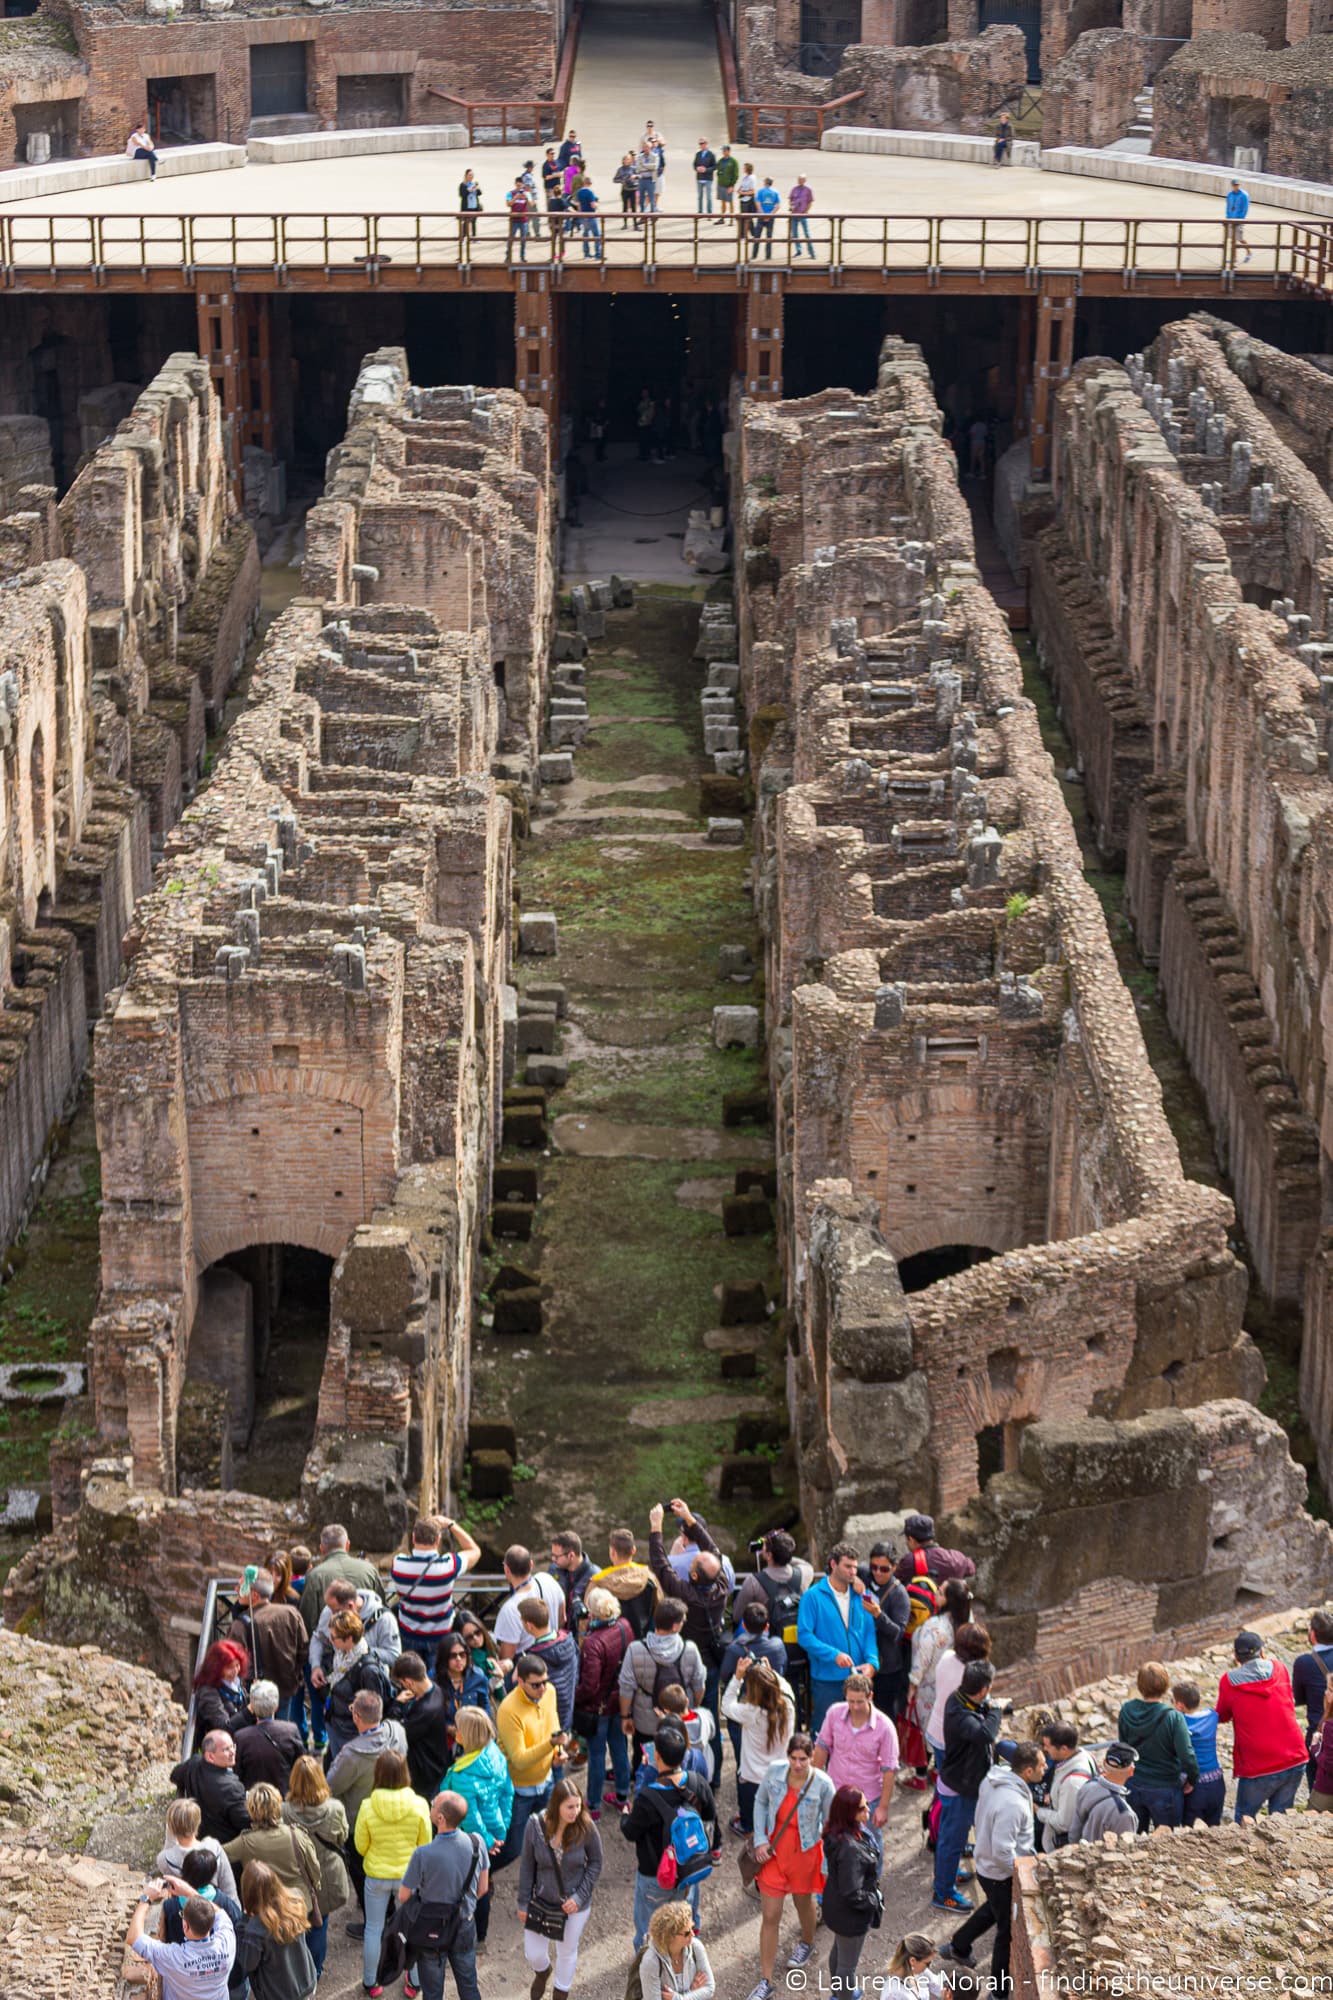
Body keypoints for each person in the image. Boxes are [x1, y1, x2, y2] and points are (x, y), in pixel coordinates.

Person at [939, 1741, 1040, 1983]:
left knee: (994, 1909)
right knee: (1006, 1932)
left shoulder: (994, 1779)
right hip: (999, 1873)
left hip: (987, 1866)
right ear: (1027, 1771)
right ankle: (999, 1989)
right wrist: (1021, 1875)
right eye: (1042, 1764)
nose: (1046, 1767)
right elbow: (1002, 1852)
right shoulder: (1012, 1805)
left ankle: (958, 1945)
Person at [748, 1730, 834, 2000]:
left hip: (805, 1855)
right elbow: (760, 1801)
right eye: (794, 1758)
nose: (798, 1764)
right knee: (770, 1916)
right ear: (787, 1756)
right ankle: (766, 1980)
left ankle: (807, 1941)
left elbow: (831, 1826)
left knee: (803, 1903)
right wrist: (761, 1839)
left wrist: (828, 1867)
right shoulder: (774, 1772)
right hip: (774, 1854)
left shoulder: (823, 1784)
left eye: (803, 1759)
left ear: (812, 1758)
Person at [647, 1502, 727, 1778]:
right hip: (711, 1663)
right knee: (710, 1719)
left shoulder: (685, 1594)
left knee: (681, 1721)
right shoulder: (722, 1585)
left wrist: (656, 1527)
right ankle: (712, 1776)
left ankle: (679, 1771)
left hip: (687, 1664)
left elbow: (660, 1565)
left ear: (693, 1575)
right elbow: (713, 1549)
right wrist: (690, 1518)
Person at [620, 1722, 717, 1948]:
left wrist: (626, 1815)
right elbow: (711, 1816)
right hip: (687, 1869)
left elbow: (630, 1831)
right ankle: (683, 1970)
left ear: (658, 1757)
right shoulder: (697, 1782)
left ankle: (650, 1977)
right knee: (684, 1926)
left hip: (656, 1875)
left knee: (648, 1932)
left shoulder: (648, 1796)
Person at [517, 1774, 603, 1999]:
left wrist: (580, 1897)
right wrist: (523, 1902)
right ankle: (543, 1971)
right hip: (542, 1901)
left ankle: (560, 1993)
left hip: (574, 1906)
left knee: (566, 1951)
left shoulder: (586, 1827)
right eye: (569, 1807)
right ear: (556, 1806)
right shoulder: (535, 1826)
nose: (575, 1812)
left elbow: (595, 1863)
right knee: (533, 1953)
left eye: (578, 1805)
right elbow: (527, 1865)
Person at [398, 1788, 489, 2000]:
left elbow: (403, 1896)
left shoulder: (423, 1854)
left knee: (432, 1992)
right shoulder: (477, 1843)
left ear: (440, 1818)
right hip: (464, 1925)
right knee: (468, 1986)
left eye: (433, 1803)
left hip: (431, 1930)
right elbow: (483, 1889)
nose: (430, 1805)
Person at [354, 1748, 432, 1993]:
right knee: (413, 1930)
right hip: (409, 1878)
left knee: (373, 1929)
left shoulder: (367, 1806)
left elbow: (360, 1845)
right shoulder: (419, 1804)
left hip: (376, 1876)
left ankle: (371, 1981)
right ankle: (415, 1982)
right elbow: (425, 1845)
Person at [932, 1659, 1002, 1915]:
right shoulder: (961, 1714)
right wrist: (996, 1711)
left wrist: (986, 1708)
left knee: (953, 1839)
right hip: (959, 1788)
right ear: (983, 1689)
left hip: (960, 1780)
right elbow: (985, 1734)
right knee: (952, 1842)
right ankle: (943, 1893)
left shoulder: (959, 1698)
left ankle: (948, 1875)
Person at [1216, 1630, 1309, 1820]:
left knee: (1244, 1818)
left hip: (1258, 1766)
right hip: (1295, 1757)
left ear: (1236, 1657)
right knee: (1281, 1819)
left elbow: (1222, 1715)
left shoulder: (1228, 1682)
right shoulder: (1280, 1668)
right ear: (1262, 1652)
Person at [448, 1706, 513, 1948]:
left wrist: (485, 1841)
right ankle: (481, 1936)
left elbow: (470, 1817)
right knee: (484, 1880)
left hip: (471, 1840)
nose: (455, 1731)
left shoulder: (464, 1775)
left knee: (471, 1887)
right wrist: (500, 1830)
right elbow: (508, 1793)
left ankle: (470, 1938)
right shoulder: (495, 1754)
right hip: (492, 1831)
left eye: (458, 1728)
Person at [796, 1543, 878, 1733]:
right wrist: (833, 1654)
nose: (853, 1572)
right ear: (833, 1564)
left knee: (860, 1732)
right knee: (825, 1731)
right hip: (826, 1679)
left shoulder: (862, 1596)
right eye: (847, 1566)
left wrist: (872, 1663)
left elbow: (868, 1634)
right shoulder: (812, 1596)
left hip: (858, 1679)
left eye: (855, 1567)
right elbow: (804, 1636)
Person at [497, 1653, 568, 1865]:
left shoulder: (549, 1693)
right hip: (520, 1789)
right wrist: (551, 1746)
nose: (543, 1689)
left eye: (545, 1682)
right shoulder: (508, 1710)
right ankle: (483, 1874)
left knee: (546, 1836)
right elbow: (518, 1759)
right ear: (520, 1682)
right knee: (512, 1848)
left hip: (546, 1781)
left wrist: (558, 1751)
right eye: (536, 1685)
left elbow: (553, 1725)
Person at [282, 1755, 350, 1974]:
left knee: (295, 1924)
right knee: (321, 1924)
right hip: (326, 1877)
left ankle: (297, 1970)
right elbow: (342, 1837)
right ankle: (315, 1970)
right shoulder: (336, 1809)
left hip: (295, 1877)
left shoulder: (283, 1811)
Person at [223, 1784, 321, 1936]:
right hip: (298, 1905)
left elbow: (218, 1854)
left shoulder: (244, 1843)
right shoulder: (296, 1835)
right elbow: (314, 1869)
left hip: (265, 1911)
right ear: (278, 1806)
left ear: (251, 1809)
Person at [620, 1597, 706, 1764]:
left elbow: (626, 1687)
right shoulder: (690, 1649)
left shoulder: (636, 1649)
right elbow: (699, 1685)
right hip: (680, 1721)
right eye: (682, 1621)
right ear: (675, 1626)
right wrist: (690, 1708)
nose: (684, 1623)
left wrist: (626, 1716)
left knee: (647, 1760)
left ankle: (646, 1786)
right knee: (679, 1759)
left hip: (646, 1722)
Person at [574, 1584, 634, 1818]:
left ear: (593, 1613)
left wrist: (574, 1699)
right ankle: (622, 1796)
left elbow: (590, 1686)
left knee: (597, 1756)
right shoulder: (624, 1627)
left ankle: (594, 1805)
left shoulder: (593, 1643)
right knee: (620, 1749)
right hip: (620, 1703)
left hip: (598, 1708)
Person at [1117, 1660, 1198, 1830]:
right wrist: (1192, 1779)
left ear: (1140, 1685)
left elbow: (1123, 1747)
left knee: (1135, 1836)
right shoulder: (1173, 1718)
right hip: (1165, 1787)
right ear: (1165, 1685)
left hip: (1133, 1783)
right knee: (1167, 1838)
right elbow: (1187, 1755)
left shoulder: (1126, 1710)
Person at [813, 1672, 898, 1832]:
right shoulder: (834, 1713)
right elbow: (822, 1747)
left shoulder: (885, 1727)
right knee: (832, 1841)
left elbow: (889, 1769)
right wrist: (814, 1785)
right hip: (835, 1794)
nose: (855, 1707)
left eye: (860, 1701)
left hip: (866, 1800)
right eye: (851, 1701)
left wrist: (883, 1807)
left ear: (870, 1696)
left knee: (869, 1848)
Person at [722, 1654, 795, 1836]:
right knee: (776, 1809)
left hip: (752, 1775)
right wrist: (769, 1673)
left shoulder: (750, 1712)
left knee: (750, 1808)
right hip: (780, 1773)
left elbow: (726, 1705)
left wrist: (737, 1677)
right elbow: (784, 1686)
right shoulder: (788, 1705)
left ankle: (747, 1827)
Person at [820, 1784, 882, 1997]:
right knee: (848, 1965)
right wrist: (873, 1900)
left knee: (839, 1951)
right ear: (849, 1813)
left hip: (835, 1907)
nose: (868, 1811)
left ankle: (838, 1993)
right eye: (863, 1808)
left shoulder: (838, 1834)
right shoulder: (850, 1850)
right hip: (850, 1915)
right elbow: (852, 1892)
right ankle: (845, 1995)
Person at [392, 1516, 481, 1661]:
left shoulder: (398, 1564)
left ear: (413, 1538)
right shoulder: (448, 1566)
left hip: (408, 1636)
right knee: (438, 1680)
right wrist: (451, 1525)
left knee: (412, 1678)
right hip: (441, 1638)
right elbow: (475, 1550)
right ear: (438, 1540)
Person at [127, 1878, 235, 1996]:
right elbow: (219, 1913)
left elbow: (133, 1938)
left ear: (185, 1926)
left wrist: (146, 1898)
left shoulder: (174, 1957)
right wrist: (189, 1891)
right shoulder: (226, 1943)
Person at [235, 1859, 317, 2000]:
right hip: (307, 1983)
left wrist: (243, 1922)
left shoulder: (255, 1929)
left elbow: (249, 1963)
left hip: (279, 1994)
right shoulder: (295, 1899)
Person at [229, 1572, 307, 1718]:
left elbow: (230, 1662)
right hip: (285, 1689)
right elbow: (303, 1651)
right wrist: (294, 1677)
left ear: (254, 1595)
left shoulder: (239, 1626)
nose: (236, 1590)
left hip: (256, 1696)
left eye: (241, 1587)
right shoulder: (292, 1613)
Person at [323, 1611, 395, 1764]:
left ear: (349, 1639)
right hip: (337, 1726)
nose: (330, 1640)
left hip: (352, 1735)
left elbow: (374, 1711)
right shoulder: (342, 1655)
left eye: (334, 1637)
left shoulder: (368, 1670)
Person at [911, 1579, 974, 1744]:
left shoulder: (934, 1627)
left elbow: (922, 1660)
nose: (935, 1592)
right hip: (957, 1691)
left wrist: (912, 1684)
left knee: (927, 1736)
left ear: (948, 1600)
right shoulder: (969, 1626)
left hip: (930, 1690)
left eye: (940, 1592)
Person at [390, 1652, 456, 1799]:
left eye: (402, 1683)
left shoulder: (425, 1710)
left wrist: (397, 1704)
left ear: (408, 1682)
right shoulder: (436, 1690)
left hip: (424, 1776)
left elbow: (397, 1733)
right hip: (435, 1766)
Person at [925, 1622, 991, 1764]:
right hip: (957, 1739)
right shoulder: (974, 1676)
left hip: (936, 1728)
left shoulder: (946, 1656)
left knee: (943, 1774)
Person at [172, 1730, 252, 1846]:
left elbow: (174, 1776)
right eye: (226, 1749)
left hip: (197, 1837)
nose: (233, 1752)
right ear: (210, 1756)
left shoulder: (193, 1763)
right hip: (224, 1847)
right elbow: (245, 1821)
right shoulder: (231, 1787)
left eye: (232, 1746)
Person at [299, 1525, 382, 1636]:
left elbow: (308, 1619)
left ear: (322, 1549)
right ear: (347, 1545)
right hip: (368, 1640)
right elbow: (382, 1606)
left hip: (330, 1643)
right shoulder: (369, 1569)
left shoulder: (314, 1576)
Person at [311, 1580, 400, 1682]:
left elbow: (394, 1656)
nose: (331, 1615)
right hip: (340, 1680)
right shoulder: (330, 1610)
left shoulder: (384, 1619)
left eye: (335, 1610)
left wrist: (361, 1651)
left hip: (369, 1681)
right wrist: (315, 1666)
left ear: (350, 1606)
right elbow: (319, 1638)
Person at [157, 1798, 240, 1904]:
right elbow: (228, 1886)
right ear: (198, 1822)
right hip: (217, 1909)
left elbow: (169, 1849)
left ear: (171, 1828)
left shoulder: (165, 1860)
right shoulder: (214, 1847)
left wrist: (171, 1828)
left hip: (186, 1913)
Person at [1033, 1722, 1097, 1852]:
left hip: (1061, 1848)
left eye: (1047, 1746)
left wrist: (1038, 1811)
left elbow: (1064, 1823)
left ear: (1063, 1749)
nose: (1044, 1749)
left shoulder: (1072, 1783)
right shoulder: (1084, 1754)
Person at [517, 1596, 580, 1728]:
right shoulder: (569, 1640)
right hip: (568, 1715)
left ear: (529, 1625)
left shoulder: (533, 1658)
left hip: (549, 1723)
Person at [495, 1547, 566, 1664]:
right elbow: (563, 1618)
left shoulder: (510, 1609)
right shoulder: (547, 1579)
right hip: (555, 1656)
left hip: (528, 1669)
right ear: (531, 1564)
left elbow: (507, 1658)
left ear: (507, 1569)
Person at [234, 1681, 304, 1795]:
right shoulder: (291, 1730)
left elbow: (237, 1773)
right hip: (284, 1797)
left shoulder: (241, 1737)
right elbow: (301, 1764)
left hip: (254, 1801)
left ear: (252, 1707)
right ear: (276, 1707)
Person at [590, 1528, 661, 1639]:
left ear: (612, 1552)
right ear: (633, 1550)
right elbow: (659, 1610)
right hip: (644, 1641)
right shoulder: (649, 1577)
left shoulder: (598, 1582)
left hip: (610, 1644)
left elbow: (588, 1618)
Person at [637, 1899, 715, 1999]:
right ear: (669, 1937)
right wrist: (693, 1993)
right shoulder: (651, 1962)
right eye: (686, 1933)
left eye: (692, 1928)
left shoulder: (696, 1947)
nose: (693, 1934)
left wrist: (679, 1998)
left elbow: (709, 1988)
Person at [1173, 1681, 1225, 1828]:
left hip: (1194, 1786)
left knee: (1191, 1833)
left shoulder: (1179, 1722)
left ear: (1179, 1705)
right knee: (1214, 1828)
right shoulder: (1212, 1716)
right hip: (1216, 1782)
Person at [1291, 1607, 1333, 1788]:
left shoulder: (1304, 1662)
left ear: (1313, 1634)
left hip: (1320, 1733)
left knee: (1318, 1790)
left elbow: (1298, 1699)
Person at [1068, 1742, 1139, 1841]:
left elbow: (1074, 1831)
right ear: (1131, 1770)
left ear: (1104, 1763)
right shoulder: (1124, 1814)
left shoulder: (1088, 1786)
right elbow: (1125, 1852)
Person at [893, 1515, 976, 1590]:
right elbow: (971, 1569)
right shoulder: (957, 1557)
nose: (906, 1543)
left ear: (911, 1540)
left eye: (907, 1539)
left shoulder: (910, 1561)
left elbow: (893, 1582)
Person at [193, 1640, 252, 1739]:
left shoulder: (236, 1682)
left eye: (237, 1665)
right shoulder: (208, 1692)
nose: (235, 1671)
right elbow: (224, 1727)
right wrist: (249, 1711)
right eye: (229, 1667)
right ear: (216, 1668)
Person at [459, 1611, 506, 1705]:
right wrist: (497, 1678)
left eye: (477, 1632)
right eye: (469, 1637)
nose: (475, 1638)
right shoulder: (465, 1659)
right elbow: (478, 1689)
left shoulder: (490, 1642)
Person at [549, 1532, 594, 1628]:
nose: (553, 1559)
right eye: (552, 1555)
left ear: (571, 1555)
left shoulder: (595, 1577)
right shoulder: (554, 1569)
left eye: (556, 1556)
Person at [883, 1933, 945, 2000]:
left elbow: (940, 1987)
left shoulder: (920, 1972)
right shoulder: (893, 1994)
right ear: (912, 1961)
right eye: (928, 1963)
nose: (929, 1967)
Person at [1310, 1678, 1333, 1810]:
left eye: (1330, 1690)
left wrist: (1315, 1747)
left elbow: (1330, 1765)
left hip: (1327, 1789)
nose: (1326, 1693)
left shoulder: (1330, 1725)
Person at [574, 173, 601, 258]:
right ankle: (598, 254)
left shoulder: (579, 192)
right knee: (597, 235)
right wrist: (597, 204)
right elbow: (593, 204)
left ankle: (586, 253)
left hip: (583, 216)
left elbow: (578, 205)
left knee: (585, 235)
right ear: (589, 183)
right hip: (591, 215)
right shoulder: (590, 192)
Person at [507, 178, 533, 262]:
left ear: (522, 184)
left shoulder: (527, 194)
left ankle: (522, 256)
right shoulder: (510, 193)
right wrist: (515, 198)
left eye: (520, 183)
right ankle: (508, 256)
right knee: (511, 239)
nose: (519, 185)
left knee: (523, 240)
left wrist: (526, 197)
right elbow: (508, 204)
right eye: (517, 183)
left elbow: (531, 205)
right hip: (514, 220)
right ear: (515, 183)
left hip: (524, 220)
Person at [752, 178, 780, 258]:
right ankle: (768, 255)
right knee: (769, 237)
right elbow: (777, 206)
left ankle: (754, 255)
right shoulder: (775, 192)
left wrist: (762, 214)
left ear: (765, 183)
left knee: (757, 237)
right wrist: (770, 215)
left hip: (761, 216)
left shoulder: (760, 191)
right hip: (770, 217)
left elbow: (758, 203)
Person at [788, 174, 814, 258]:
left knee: (806, 233)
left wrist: (806, 211)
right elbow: (790, 199)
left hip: (803, 214)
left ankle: (811, 252)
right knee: (795, 234)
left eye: (801, 179)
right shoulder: (794, 189)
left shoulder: (808, 189)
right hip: (794, 214)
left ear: (805, 180)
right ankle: (798, 250)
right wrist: (791, 206)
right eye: (799, 179)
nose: (800, 181)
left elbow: (810, 202)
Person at [1226, 179, 1251, 262]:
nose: (1236, 186)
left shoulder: (1244, 195)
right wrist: (1227, 218)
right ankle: (1234, 258)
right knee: (1232, 240)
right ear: (1232, 186)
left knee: (1240, 239)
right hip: (1231, 219)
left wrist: (1240, 219)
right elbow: (1228, 207)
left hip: (1239, 220)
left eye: (1237, 185)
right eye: (1234, 185)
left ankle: (1249, 253)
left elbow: (1245, 208)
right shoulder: (1229, 195)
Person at [614, 153, 640, 229]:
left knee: (633, 207)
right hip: (625, 190)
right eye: (625, 159)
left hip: (633, 189)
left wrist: (635, 176)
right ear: (623, 161)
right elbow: (615, 179)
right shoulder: (620, 169)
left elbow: (640, 176)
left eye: (628, 159)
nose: (627, 161)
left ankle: (635, 224)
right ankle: (625, 224)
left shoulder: (634, 168)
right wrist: (622, 180)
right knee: (625, 207)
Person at [716, 144, 739, 223]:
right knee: (722, 201)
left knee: (730, 202)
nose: (723, 152)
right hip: (721, 184)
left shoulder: (733, 161)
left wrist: (732, 185)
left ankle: (731, 218)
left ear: (728, 151)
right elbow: (718, 171)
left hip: (729, 185)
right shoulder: (720, 161)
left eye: (725, 150)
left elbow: (735, 175)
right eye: (722, 150)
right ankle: (722, 218)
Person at [458, 170, 482, 243]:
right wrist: (469, 190)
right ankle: (464, 238)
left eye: (472, 175)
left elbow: (479, 193)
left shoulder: (473, 184)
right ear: (466, 175)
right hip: (466, 207)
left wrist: (477, 188)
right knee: (465, 222)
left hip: (474, 206)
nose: (471, 176)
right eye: (469, 175)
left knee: (474, 222)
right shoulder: (463, 184)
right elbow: (462, 195)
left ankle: (474, 238)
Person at [693, 140, 717, 215]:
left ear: (706, 144)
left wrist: (706, 170)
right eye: (700, 144)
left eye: (703, 143)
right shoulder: (698, 154)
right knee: (700, 196)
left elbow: (715, 166)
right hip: (699, 178)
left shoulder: (711, 154)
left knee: (708, 196)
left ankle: (709, 212)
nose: (701, 145)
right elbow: (694, 164)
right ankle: (700, 211)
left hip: (708, 178)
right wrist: (697, 168)